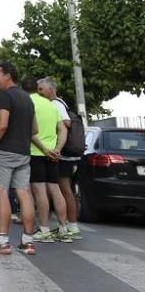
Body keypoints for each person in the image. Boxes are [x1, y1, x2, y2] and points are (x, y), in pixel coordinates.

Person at [0, 61, 41, 256]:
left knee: (1, 193)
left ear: (8, 76)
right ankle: (28, 242)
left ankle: (3, 241)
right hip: (23, 153)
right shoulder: (27, 98)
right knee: (24, 193)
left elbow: (2, 125)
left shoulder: (5, 95)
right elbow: (35, 130)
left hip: (4, 152)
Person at [23, 77, 71, 243]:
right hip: (53, 154)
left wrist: (43, 149)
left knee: (39, 191)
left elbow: (30, 131)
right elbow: (63, 129)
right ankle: (64, 229)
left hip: (36, 152)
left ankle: (44, 229)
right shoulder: (52, 105)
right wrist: (57, 149)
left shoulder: (28, 102)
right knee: (55, 190)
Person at [38, 78, 83, 240]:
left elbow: (67, 123)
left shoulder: (56, 104)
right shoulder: (60, 103)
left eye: (42, 89)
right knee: (65, 190)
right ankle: (68, 226)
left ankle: (71, 227)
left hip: (63, 154)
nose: (39, 92)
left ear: (51, 90)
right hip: (66, 154)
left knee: (65, 190)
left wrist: (56, 138)